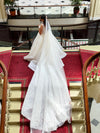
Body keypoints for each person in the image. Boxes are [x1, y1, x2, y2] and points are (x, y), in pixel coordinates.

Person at [21, 15, 72, 133]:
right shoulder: (48, 27)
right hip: (48, 45)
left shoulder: (41, 26)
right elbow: (46, 34)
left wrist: (39, 28)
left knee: (40, 60)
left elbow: (39, 34)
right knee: (49, 64)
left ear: (42, 20)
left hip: (43, 44)